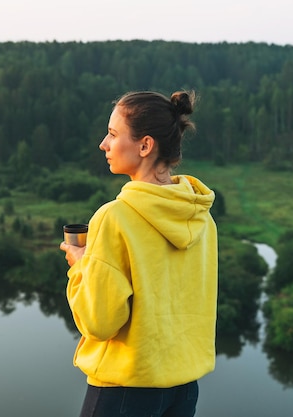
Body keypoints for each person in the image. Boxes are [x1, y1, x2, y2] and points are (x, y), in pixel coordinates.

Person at [59, 90, 218, 417]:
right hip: (184, 389)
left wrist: (82, 266)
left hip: (125, 392)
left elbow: (99, 323)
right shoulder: (200, 217)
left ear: (145, 145)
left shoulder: (114, 218)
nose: (103, 144)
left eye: (113, 134)